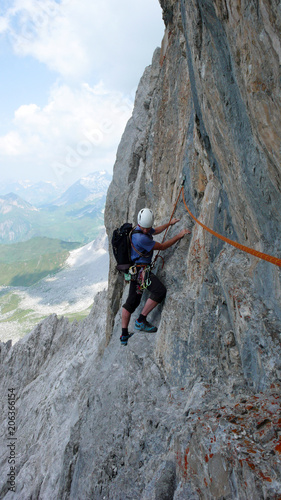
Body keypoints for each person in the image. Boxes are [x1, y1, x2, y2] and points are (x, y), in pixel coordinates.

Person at [120, 207, 191, 345]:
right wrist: (179, 235)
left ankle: (124, 335)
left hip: (136, 272)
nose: (147, 231)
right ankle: (140, 321)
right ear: (141, 224)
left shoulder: (137, 229)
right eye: (145, 228)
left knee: (131, 302)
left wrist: (169, 224)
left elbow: (155, 230)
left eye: (148, 228)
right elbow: (163, 246)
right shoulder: (141, 238)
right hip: (141, 273)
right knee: (159, 291)